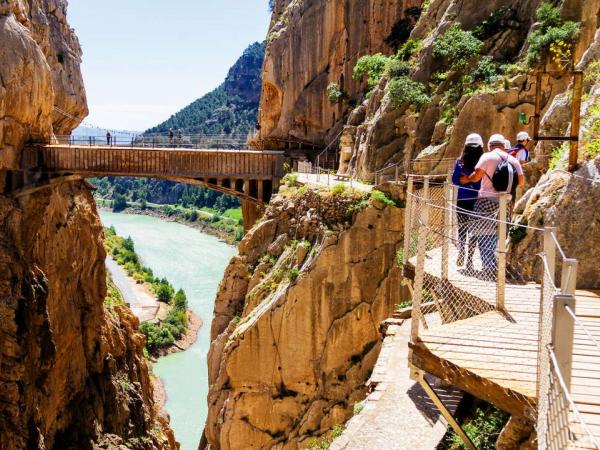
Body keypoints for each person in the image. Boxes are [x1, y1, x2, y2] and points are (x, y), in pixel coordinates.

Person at [460, 133, 524, 275]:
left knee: (483, 233)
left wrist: (467, 180)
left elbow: (476, 177)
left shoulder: (487, 157)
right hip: (505, 202)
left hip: (486, 200)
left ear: (490, 146)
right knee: (499, 232)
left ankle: (489, 267)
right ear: (503, 145)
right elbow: (521, 182)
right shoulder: (513, 160)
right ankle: (496, 265)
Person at [452, 133, 484, 269]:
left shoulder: (459, 162)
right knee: (475, 229)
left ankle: (461, 250)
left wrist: (465, 180)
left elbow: (455, 180)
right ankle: (470, 258)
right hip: (478, 200)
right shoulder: (482, 162)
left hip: (462, 199)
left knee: (462, 228)